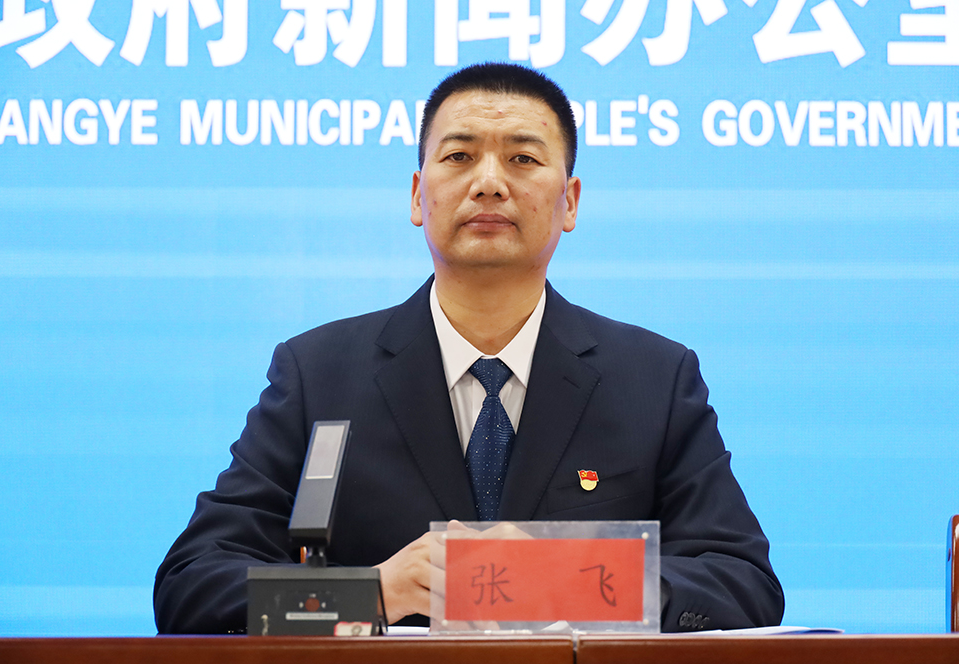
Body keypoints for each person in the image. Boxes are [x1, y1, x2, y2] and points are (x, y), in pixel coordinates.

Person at [154, 62, 784, 634]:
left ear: (569, 202)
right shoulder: (318, 374)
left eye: (522, 159)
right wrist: (367, 593)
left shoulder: (653, 379)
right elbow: (192, 584)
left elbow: (742, 581)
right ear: (416, 195)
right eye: (459, 156)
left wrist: (564, 579)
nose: (488, 183)